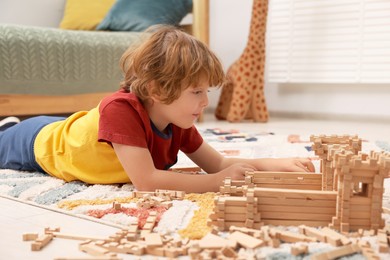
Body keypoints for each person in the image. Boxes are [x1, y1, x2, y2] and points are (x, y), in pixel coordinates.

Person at [0, 25, 314, 193]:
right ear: (156, 90)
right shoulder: (119, 109)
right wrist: (213, 185)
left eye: (206, 91)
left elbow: (218, 163)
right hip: (38, 144)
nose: (205, 102)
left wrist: (273, 164)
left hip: (63, 129)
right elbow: (147, 181)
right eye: (196, 92)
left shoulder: (178, 121)